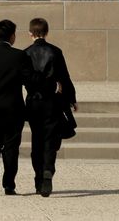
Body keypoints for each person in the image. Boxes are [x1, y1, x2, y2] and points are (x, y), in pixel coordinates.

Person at [0, 19, 40, 195]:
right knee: (12, 148)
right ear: (12, 36)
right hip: (14, 110)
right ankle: (9, 184)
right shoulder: (20, 56)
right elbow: (29, 81)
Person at [24, 17, 77, 198]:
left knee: (36, 140)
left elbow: (26, 80)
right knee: (50, 141)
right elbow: (65, 77)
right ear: (46, 32)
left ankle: (39, 178)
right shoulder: (56, 52)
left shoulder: (25, 54)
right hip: (52, 103)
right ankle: (48, 170)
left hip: (33, 103)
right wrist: (72, 99)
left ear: (30, 33)